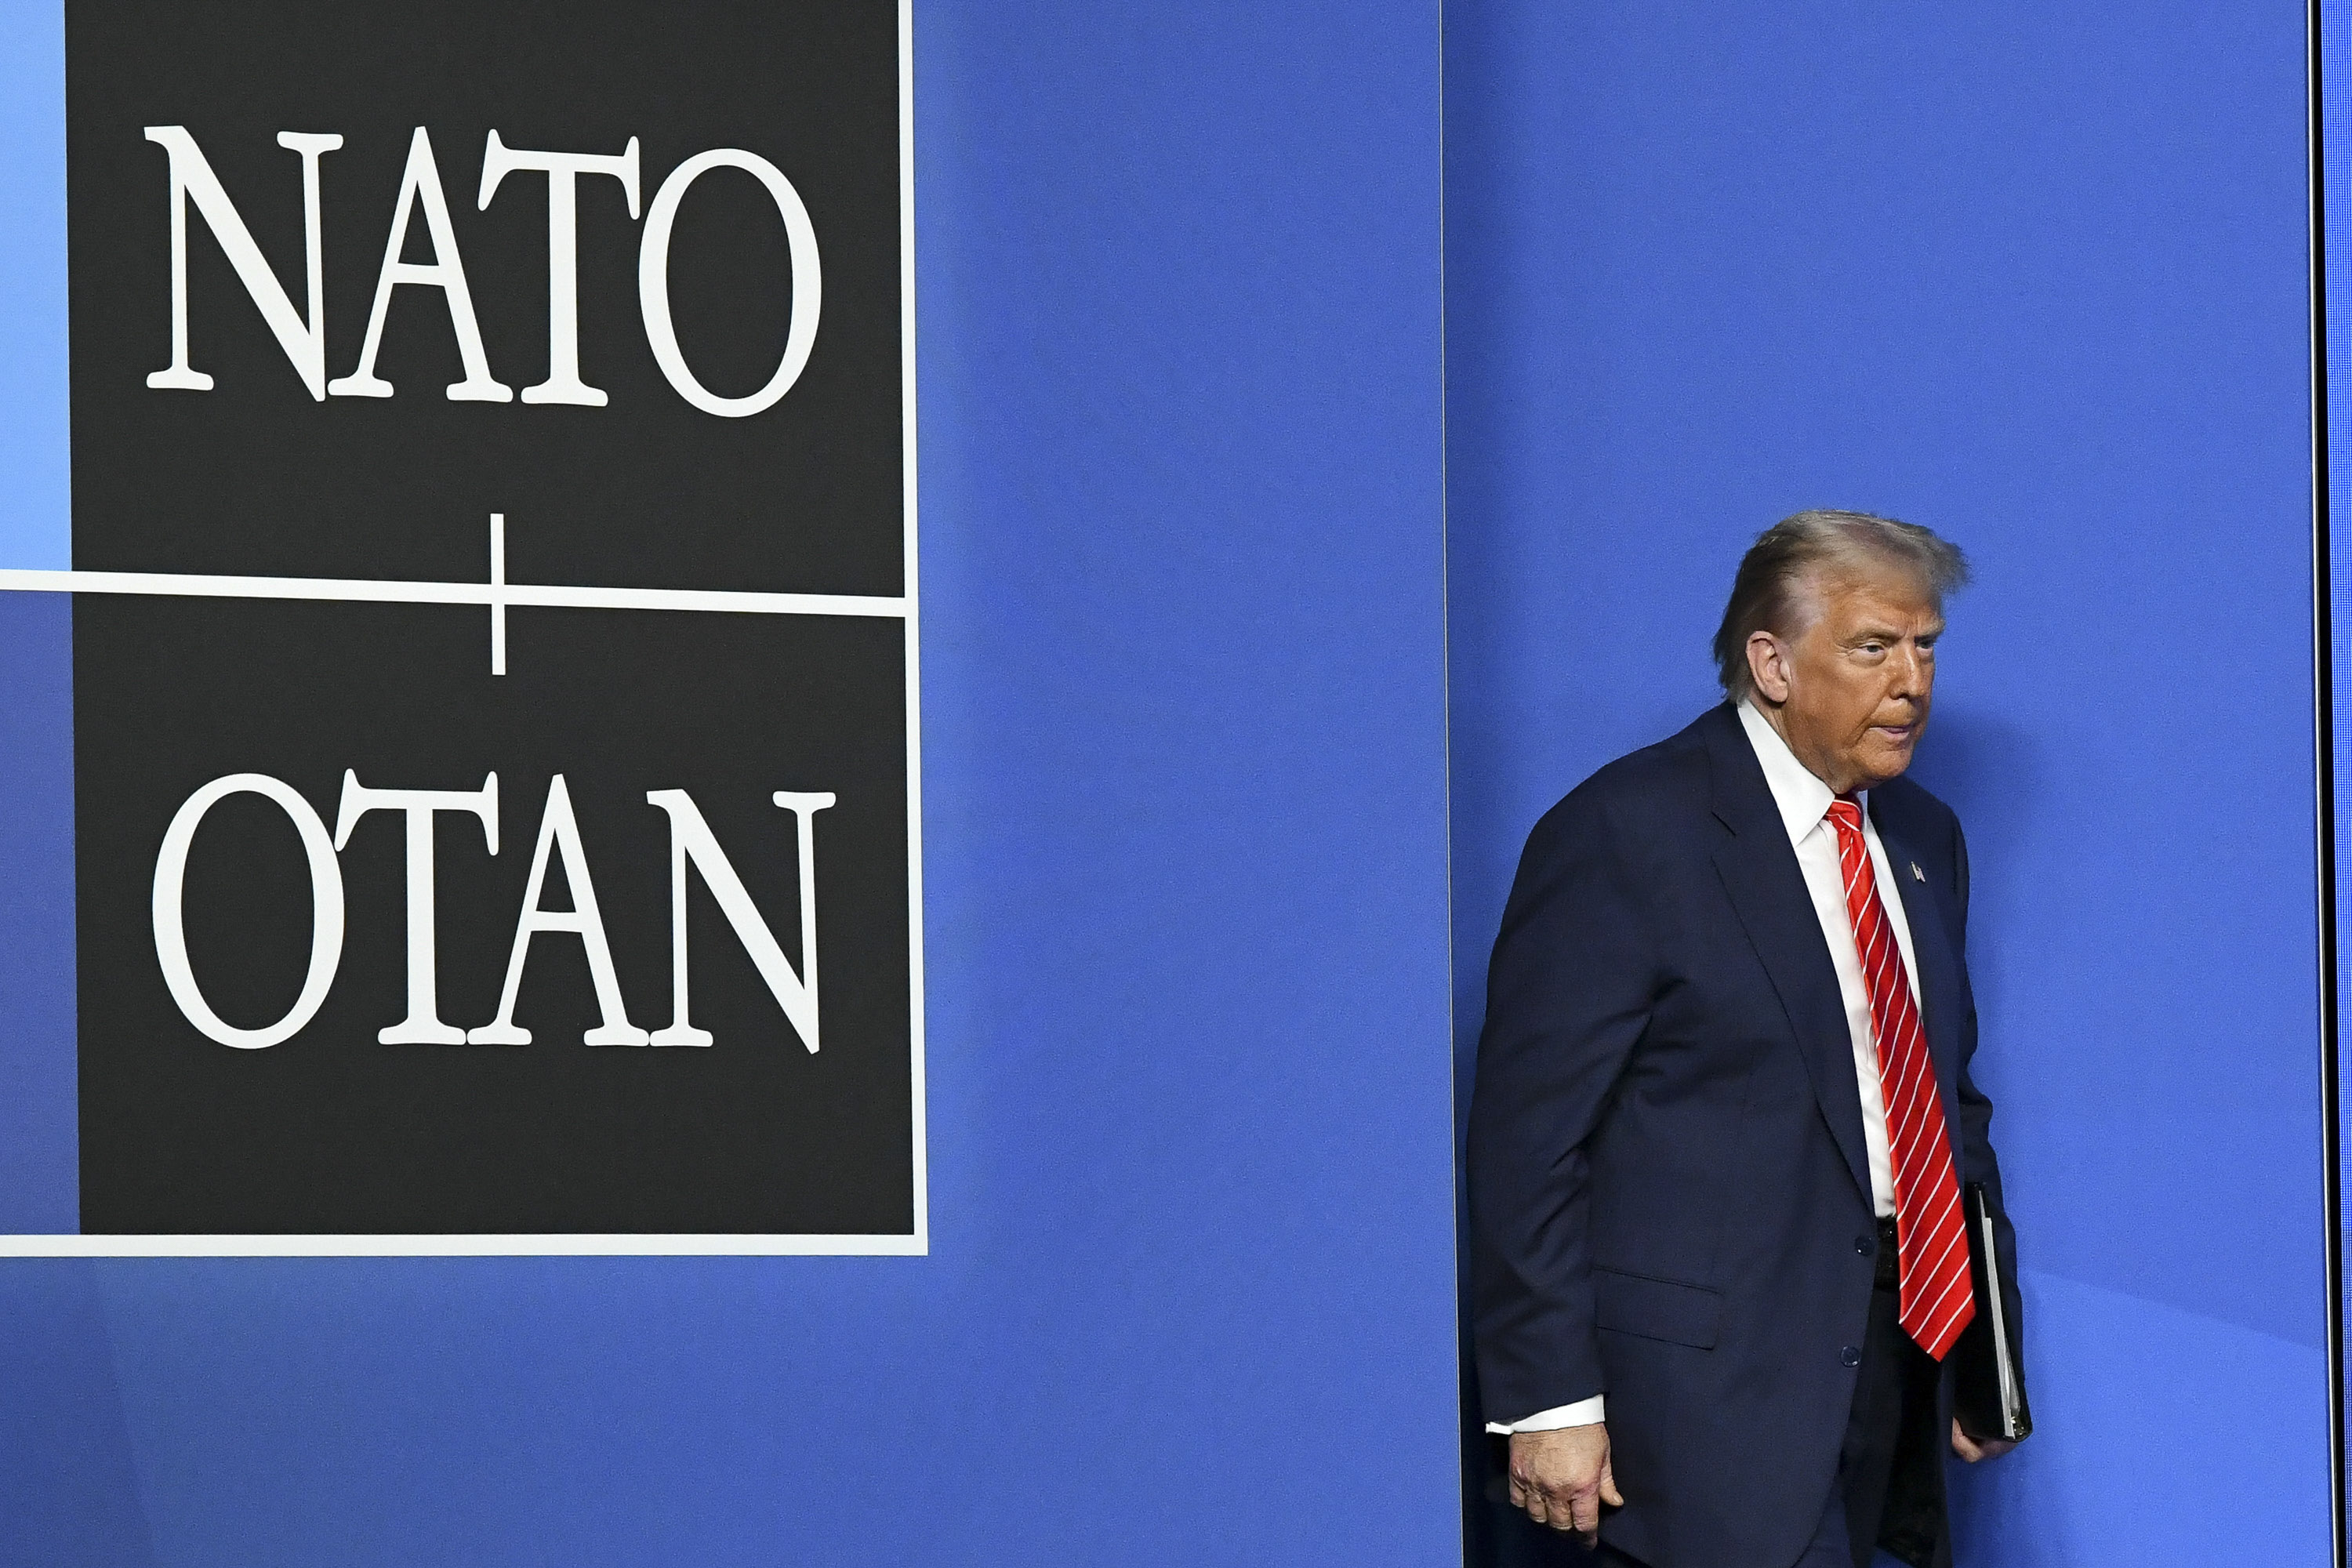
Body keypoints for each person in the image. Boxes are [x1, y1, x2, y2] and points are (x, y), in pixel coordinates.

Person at [1467, 510, 2025, 1568]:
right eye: (1873, 647)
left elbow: (1945, 1101)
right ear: (1771, 663)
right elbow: (1527, 1141)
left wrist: (1985, 1352)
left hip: (1897, 1369)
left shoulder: (1924, 836)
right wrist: (1547, 1400)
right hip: (1696, 1410)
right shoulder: (1628, 829)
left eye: (1926, 647)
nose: (1912, 682)